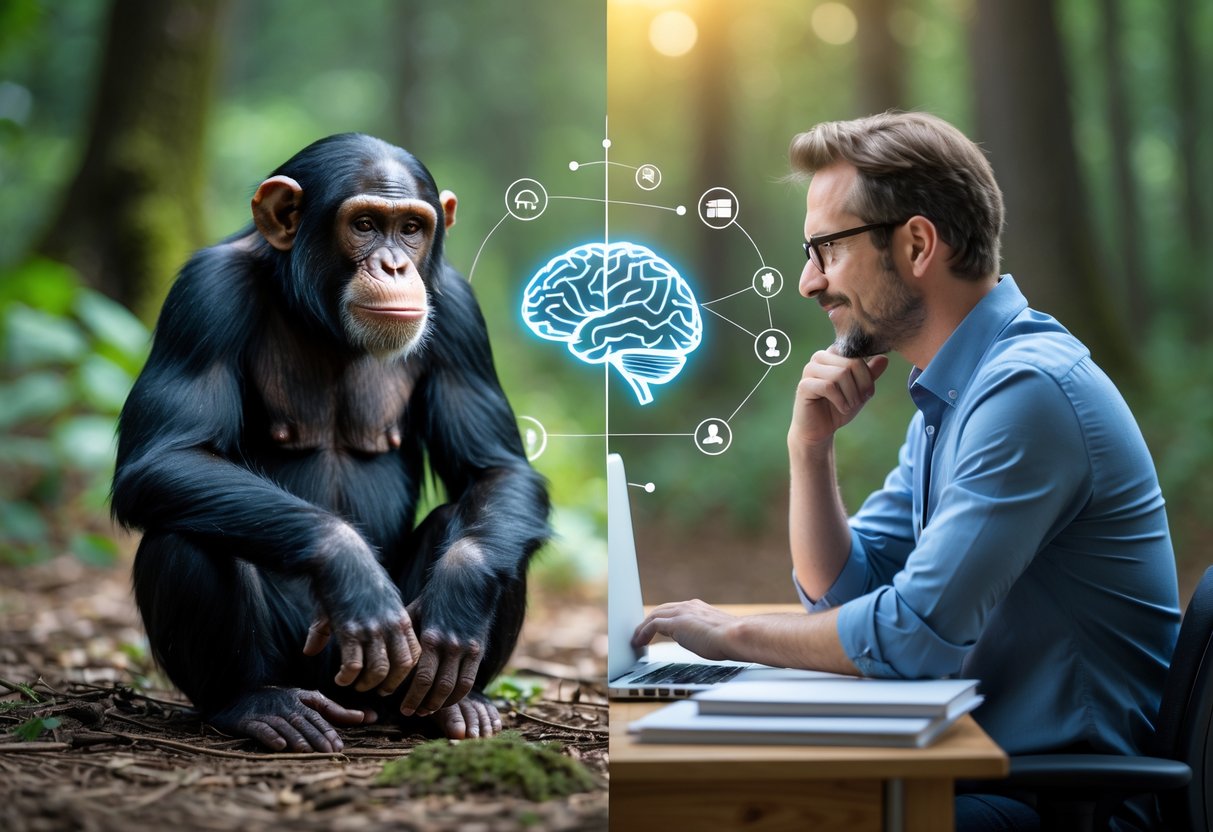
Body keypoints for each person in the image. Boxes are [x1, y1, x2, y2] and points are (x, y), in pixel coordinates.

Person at [632, 111, 1181, 831]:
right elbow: (847, 594)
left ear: (917, 244)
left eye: (827, 249)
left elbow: (909, 637)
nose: (808, 281)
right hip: (986, 772)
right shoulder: (955, 393)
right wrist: (809, 449)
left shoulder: (1027, 393)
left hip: (1063, 805)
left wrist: (730, 635)